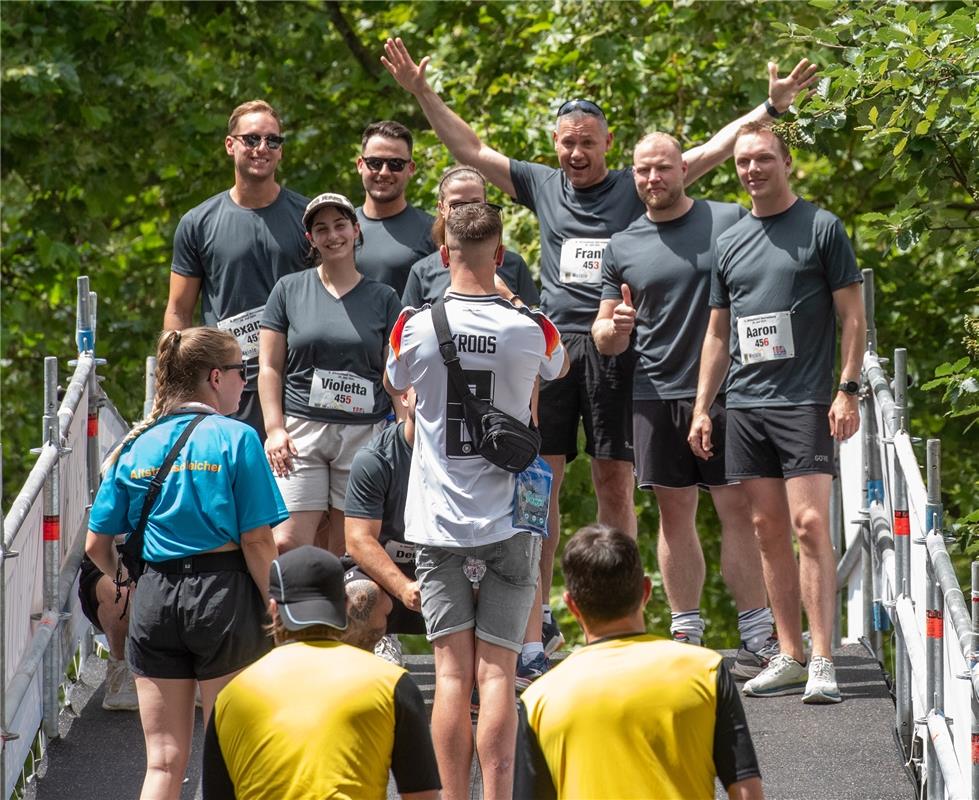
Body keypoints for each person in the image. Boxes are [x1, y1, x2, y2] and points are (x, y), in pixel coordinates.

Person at [382, 37, 818, 651]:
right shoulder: (539, 183)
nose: (577, 151)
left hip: (620, 351)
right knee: (540, 483)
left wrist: (768, 111)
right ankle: (537, 624)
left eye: (589, 141)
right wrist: (421, 91)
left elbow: (715, 150)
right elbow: (470, 149)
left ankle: (621, 616)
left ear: (607, 144)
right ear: (555, 144)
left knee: (617, 485)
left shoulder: (638, 183)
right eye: (568, 141)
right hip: (555, 351)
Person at [386, 203, 568, 800]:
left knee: (450, 675)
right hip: (512, 521)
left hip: (437, 520)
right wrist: (514, 303)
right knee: (499, 676)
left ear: (443, 257)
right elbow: (558, 364)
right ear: (499, 255)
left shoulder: (413, 324)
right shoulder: (531, 325)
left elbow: (394, 380)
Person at [689, 122, 865, 704]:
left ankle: (822, 658)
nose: (752, 170)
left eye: (763, 159)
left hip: (806, 399)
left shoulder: (821, 228)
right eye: (742, 161)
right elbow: (718, 332)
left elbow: (853, 318)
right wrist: (702, 408)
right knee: (765, 530)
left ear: (787, 162)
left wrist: (848, 389)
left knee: (810, 525)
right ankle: (788, 653)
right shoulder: (730, 240)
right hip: (745, 403)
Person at [592, 132, 775, 675]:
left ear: (683, 168)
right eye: (644, 171)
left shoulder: (728, 220)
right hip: (653, 391)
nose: (654, 179)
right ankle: (686, 630)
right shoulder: (621, 244)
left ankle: (758, 632)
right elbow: (605, 334)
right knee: (673, 513)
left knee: (737, 509)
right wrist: (613, 327)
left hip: (726, 390)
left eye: (664, 168)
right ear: (634, 175)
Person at [85, 327, 285, 800]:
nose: (246, 382)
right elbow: (258, 540)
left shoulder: (137, 444)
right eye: (242, 371)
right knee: (229, 758)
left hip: (155, 598)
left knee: (163, 762)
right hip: (224, 599)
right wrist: (278, 604)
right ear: (216, 377)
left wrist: (125, 583)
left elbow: (97, 544)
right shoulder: (237, 438)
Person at [514, 525, 763, 800]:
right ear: (645, 590)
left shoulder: (540, 698)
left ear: (572, 605)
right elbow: (747, 792)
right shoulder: (706, 671)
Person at [201, 546, 441, 800]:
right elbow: (422, 796)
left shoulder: (233, 695)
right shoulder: (392, 683)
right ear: (346, 603)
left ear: (273, 609)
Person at [259, 192, 402, 555]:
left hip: (363, 435)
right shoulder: (287, 290)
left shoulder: (385, 298)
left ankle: (336, 615)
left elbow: (399, 376)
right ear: (311, 239)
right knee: (287, 543)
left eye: (340, 225)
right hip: (300, 433)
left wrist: (402, 433)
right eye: (321, 229)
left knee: (348, 550)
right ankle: (290, 613)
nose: (332, 235)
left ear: (356, 230)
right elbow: (269, 367)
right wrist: (275, 429)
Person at [164, 99, 309, 439]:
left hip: (297, 382)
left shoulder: (309, 219)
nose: (263, 148)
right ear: (230, 145)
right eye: (252, 139)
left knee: (289, 491)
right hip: (224, 382)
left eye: (273, 140)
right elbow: (178, 310)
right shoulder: (197, 222)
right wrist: (173, 386)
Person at [343, 388, 426, 666]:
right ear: (404, 398)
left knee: (491, 583)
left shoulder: (467, 456)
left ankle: (479, 682)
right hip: (388, 578)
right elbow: (357, 540)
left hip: (447, 573)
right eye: (422, 389)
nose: (431, 396)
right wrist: (403, 587)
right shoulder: (374, 458)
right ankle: (377, 652)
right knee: (359, 597)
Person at [401, 165, 540, 309]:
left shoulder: (513, 264)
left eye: (475, 203)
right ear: (442, 208)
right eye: (457, 204)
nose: (467, 211)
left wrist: (509, 296)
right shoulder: (422, 271)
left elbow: (531, 324)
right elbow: (409, 327)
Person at [355, 120, 436, 297]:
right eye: (375, 163)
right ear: (360, 165)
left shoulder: (435, 231)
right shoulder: (337, 229)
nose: (384, 172)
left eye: (395, 164)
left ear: (411, 169)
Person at [77, 556, 138, 710]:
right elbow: (97, 547)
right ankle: (120, 665)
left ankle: (197, 664)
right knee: (119, 591)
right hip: (116, 566)